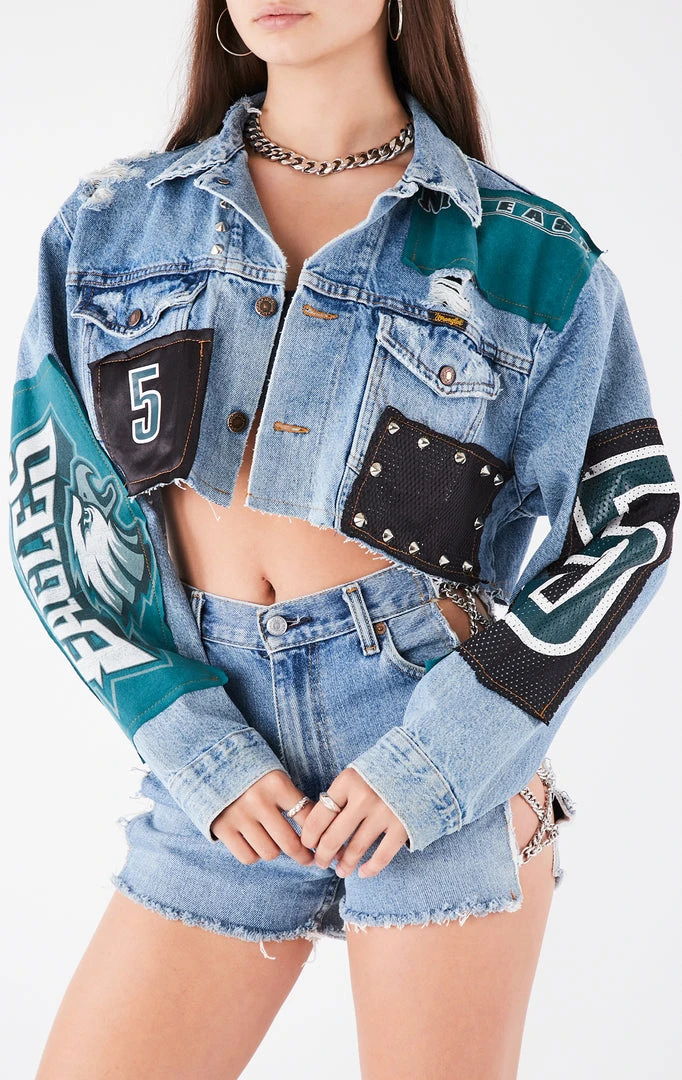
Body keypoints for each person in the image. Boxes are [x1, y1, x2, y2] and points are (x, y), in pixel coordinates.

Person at [10, 1, 677, 1077]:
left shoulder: (529, 255)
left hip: (436, 735)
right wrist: (189, 740)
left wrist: (446, 753)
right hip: (218, 749)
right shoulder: (114, 223)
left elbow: (630, 523)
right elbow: (53, 510)